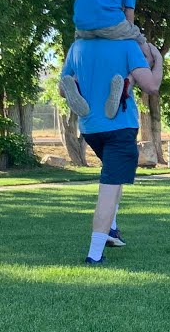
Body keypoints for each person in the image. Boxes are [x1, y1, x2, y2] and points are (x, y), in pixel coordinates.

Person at [59, 31, 163, 264]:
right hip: (119, 126)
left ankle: (112, 228)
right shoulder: (128, 45)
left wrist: (74, 85)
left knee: (116, 179)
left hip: (90, 127)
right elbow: (152, 85)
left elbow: (61, 90)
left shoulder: (78, 46)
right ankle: (94, 254)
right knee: (108, 187)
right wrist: (158, 60)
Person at [61, 0, 151, 117]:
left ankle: (75, 83)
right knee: (146, 53)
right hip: (110, 24)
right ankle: (125, 86)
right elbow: (129, 13)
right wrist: (134, 38)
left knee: (83, 57)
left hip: (82, 28)